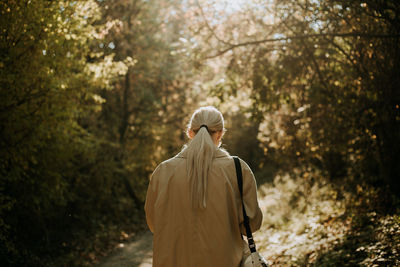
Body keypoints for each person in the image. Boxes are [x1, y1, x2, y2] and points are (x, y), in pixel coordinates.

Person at [145, 106, 263, 267]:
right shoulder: (237, 169)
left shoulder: (163, 171)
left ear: (189, 132)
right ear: (220, 133)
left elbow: (154, 223)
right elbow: (252, 223)